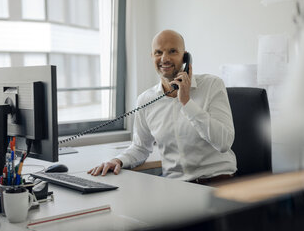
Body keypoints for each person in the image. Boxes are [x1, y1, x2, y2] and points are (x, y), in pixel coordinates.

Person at [88, 30, 236, 184]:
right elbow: (140, 147)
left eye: (172, 51)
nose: (164, 59)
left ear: (185, 57)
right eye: (158, 52)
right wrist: (118, 160)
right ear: (152, 57)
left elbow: (224, 143)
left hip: (217, 183)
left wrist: (187, 103)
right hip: (174, 186)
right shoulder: (146, 99)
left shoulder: (212, 85)